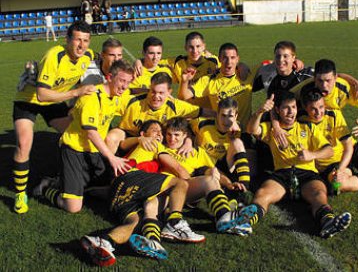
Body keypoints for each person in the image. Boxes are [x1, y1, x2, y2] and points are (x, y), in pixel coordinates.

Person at [80, 120, 204, 266]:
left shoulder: (142, 147)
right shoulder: (152, 143)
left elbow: (124, 145)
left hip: (119, 192)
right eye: (154, 130)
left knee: (135, 222)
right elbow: (179, 170)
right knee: (180, 183)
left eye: (160, 132)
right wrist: (191, 194)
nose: (159, 134)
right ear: (143, 134)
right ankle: (174, 223)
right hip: (132, 177)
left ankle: (105, 241)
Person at [12, 21, 95, 214]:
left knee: (75, 135)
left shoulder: (88, 56)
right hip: (29, 99)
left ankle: (62, 178)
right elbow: (41, 95)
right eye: (77, 40)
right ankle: (20, 193)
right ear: (67, 40)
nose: (81, 45)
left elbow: (100, 72)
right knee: (24, 143)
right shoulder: (54, 55)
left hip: (55, 100)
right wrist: (76, 94)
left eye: (86, 40)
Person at [245, 90, 351, 238]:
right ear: (277, 110)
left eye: (293, 107)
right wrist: (260, 111)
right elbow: (251, 129)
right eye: (286, 108)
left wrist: (311, 155)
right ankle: (245, 221)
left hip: (307, 174)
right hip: (282, 174)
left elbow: (329, 151)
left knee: (319, 194)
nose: (290, 112)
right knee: (263, 193)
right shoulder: (272, 130)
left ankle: (328, 222)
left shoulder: (307, 127)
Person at [34, 60, 134, 213]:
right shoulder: (92, 97)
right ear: (109, 77)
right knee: (73, 207)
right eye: (121, 80)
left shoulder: (118, 95)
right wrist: (111, 157)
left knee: (112, 188)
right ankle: (47, 188)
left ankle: (64, 181)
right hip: (74, 150)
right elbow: (91, 132)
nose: (125, 86)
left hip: (93, 151)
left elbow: (135, 98)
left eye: (128, 82)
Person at [163, 117, 257, 236]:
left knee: (211, 174)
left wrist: (228, 184)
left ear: (184, 135)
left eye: (176, 135)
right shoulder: (161, 147)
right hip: (164, 188)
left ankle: (224, 215)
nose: (172, 139)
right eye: (169, 134)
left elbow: (214, 171)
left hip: (184, 190)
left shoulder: (196, 152)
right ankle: (231, 219)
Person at [105, 72, 215, 154]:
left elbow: (200, 111)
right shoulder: (132, 101)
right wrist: (92, 88)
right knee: (112, 136)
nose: (156, 97)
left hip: (157, 142)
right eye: (153, 91)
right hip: (130, 138)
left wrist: (223, 117)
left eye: (161, 93)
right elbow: (107, 98)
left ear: (169, 92)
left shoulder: (175, 106)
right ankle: (107, 173)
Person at [291, 59, 358, 140]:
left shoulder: (343, 87)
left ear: (335, 78)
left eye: (328, 80)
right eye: (320, 81)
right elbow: (280, 103)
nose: (324, 85)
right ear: (314, 78)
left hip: (332, 132)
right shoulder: (303, 89)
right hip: (307, 133)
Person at [190, 98, 252, 205]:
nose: (226, 120)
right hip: (204, 166)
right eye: (223, 115)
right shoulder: (202, 124)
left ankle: (243, 189)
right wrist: (187, 141)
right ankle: (225, 200)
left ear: (236, 116)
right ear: (217, 113)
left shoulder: (238, 130)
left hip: (224, 164)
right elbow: (184, 126)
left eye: (230, 116)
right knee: (214, 174)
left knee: (237, 142)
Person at [180, 42, 254, 128]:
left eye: (232, 58)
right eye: (225, 58)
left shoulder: (247, 73)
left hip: (245, 132)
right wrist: (184, 81)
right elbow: (184, 95)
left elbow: (270, 66)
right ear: (219, 59)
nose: (229, 62)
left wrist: (242, 65)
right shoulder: (209, 80)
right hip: (223, 131)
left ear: (238, 59)